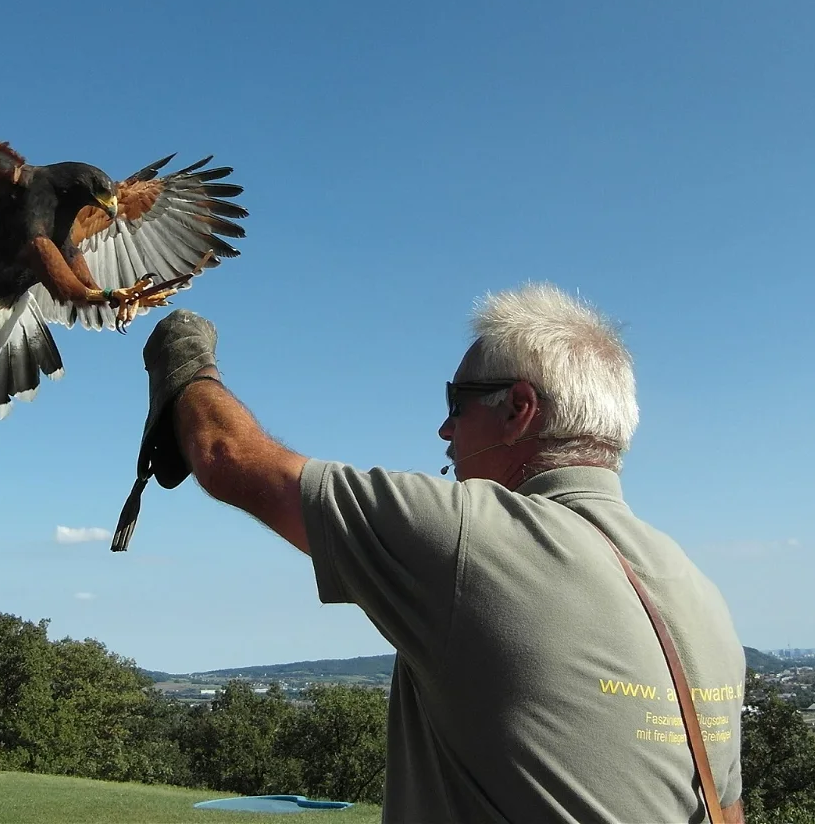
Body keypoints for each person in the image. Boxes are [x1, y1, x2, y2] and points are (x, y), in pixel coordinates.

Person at [129, 285, 747, 823]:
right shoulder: (699, 594)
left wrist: (184, 359)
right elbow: (729, 807)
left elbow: (227, 455)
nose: (445, 431)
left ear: (517, 409)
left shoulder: (472, 534)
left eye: (456, 402)